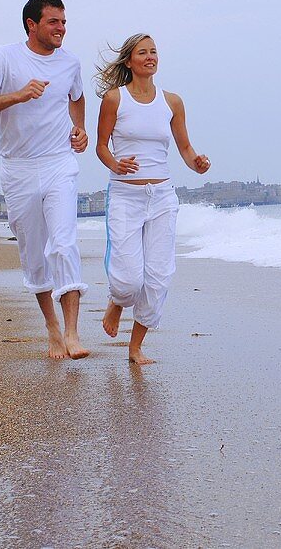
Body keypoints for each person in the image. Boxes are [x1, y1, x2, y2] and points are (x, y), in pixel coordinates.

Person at [0, 0, 91, 360]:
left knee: (65, 242)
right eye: (54, 22)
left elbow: (77, 96)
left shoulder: (70, 63)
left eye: (64, 22)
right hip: (18, 167)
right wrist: (18, 96)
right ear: (31, 25)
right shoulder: (5, 58)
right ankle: (52, 327)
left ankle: (72, 333)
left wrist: (80, 128)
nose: (61, 29)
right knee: (34, 253)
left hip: (58, 162)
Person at [94, 33, 210, 364]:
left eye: (154, 52)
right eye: (142, 52)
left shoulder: (172, 101)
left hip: (161, 196)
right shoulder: (115, 99)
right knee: (130, 278)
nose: (150, 57)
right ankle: (117, 301)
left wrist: (197, 163)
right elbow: (101, 145)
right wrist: (116, 163)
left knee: (158, 276)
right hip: (125, 196)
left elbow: (185, 149)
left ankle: (135, 348)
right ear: (129, 61)